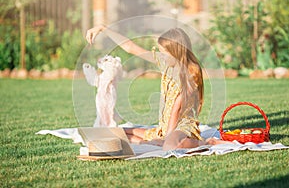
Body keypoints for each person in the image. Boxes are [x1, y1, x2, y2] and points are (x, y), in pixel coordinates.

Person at [86, 25, 230, 150]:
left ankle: (206, 142)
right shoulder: (166, 62)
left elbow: (176, 109)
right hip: (165, 127)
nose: (162, 56)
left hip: (182, 127)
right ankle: (156, 142)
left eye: (165, 53)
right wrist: (103, 28)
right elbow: (130, 47)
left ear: (176, 51)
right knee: (117, 133)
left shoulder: (191, 71)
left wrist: (167, 137)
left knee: (169, 146)